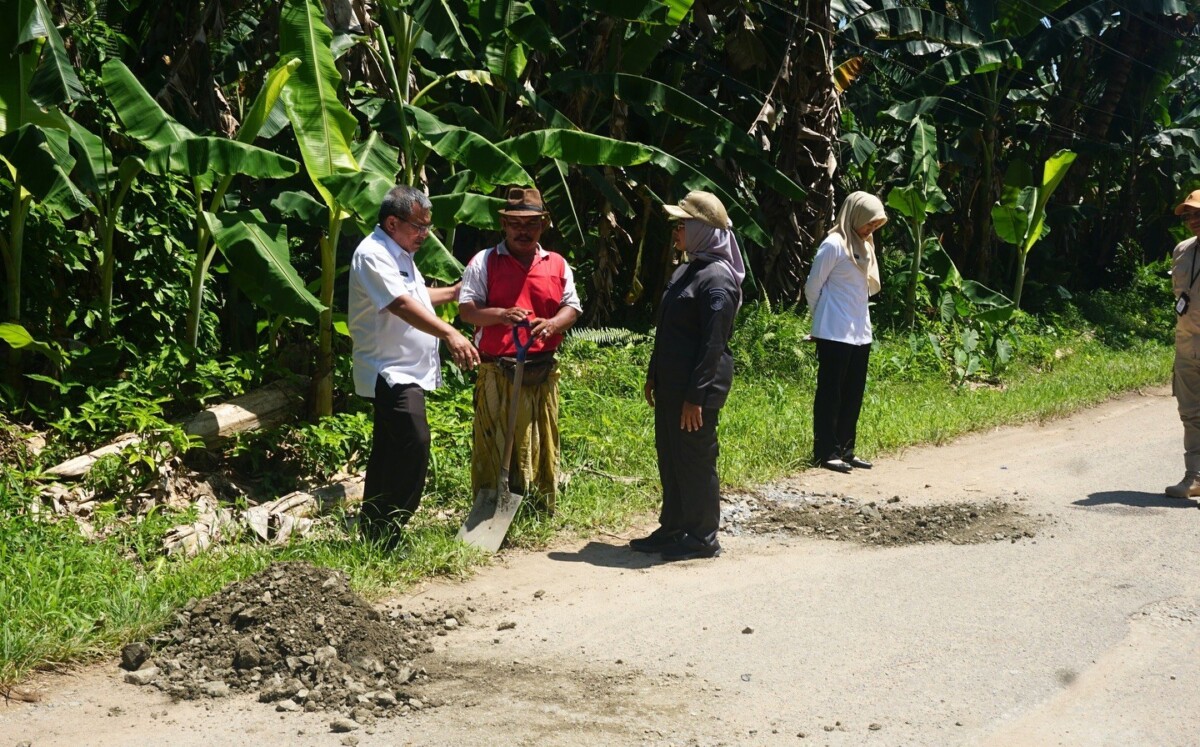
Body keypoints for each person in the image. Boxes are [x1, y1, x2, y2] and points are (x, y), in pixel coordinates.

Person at [348, 185, 480, 543]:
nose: (425, 234)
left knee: (389, 450)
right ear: (392, 222)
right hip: (388, 370)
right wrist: (450, 334)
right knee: (414, 442)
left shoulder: (400, 252)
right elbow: (401, 305)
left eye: (428, 227)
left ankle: (373, 529)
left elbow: (417, 297)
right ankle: (391, 526)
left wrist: (451, 293)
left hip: (405, 370)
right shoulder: (373, 254)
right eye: (418, 226)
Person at [634, 191, 743, 561]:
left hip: (697, 390)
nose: (677, 231)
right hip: (672, 384)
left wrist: (695, 397)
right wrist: (653, 374)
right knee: (670, 454)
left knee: (695, 458)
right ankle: (674, 527)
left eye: (684, 224)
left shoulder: (718, 280)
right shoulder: (687, 269)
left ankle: (702, 537)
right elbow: (666, 329)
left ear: (703, 230)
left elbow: (713, 345)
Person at [458, 187, 582, 513]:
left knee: (542, 444)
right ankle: (488, 511)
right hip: (498, 371)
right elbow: (467, 311)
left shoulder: (556, 264)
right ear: (504, 224)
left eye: (530, 223)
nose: (522, 231)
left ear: (543, 224)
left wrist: (554, 324)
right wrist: (501, 315)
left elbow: (572, 307)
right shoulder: (485, 261)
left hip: (541, 371)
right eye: (515, 224)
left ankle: (537, 509)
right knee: (493, 445)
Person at [804, 191, 887, 474]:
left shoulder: (865, 246)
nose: (870, 229)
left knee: (853, 392)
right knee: (831, 393)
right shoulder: (833, 245)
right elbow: (812, 287)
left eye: (875, 226)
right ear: (854, 215)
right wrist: (822, 320)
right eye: (868, 224)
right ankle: (826, 452)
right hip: (834, 331)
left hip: (860, 332)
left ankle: (846, 450)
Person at [1166, 189, 1200, 499]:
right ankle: (1195, 476)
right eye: (1189, 215)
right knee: (1190, 413)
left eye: (1197, 213)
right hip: (1188, 343)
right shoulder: (1182, 250)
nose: (1192, 220)